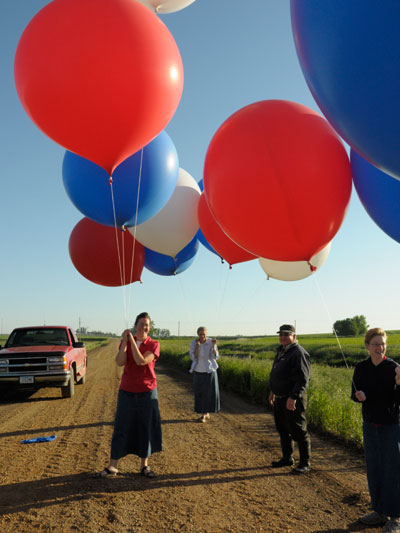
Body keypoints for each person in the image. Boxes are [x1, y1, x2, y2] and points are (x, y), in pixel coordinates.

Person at [94, 312, 162, 479]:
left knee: (145, 428)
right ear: (135, 325)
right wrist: (125, 342)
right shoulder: (126, 341)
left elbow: (141, 361)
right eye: (141, 324)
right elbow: (119, 362)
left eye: (147, 325)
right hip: (127, 391)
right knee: (121, 426)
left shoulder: (154, 344)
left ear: (150, 327)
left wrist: (131, 341)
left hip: (146, 392)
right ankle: (113, 465)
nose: (144, 327)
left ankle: (144, 465)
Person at [351, 328, 400, 533]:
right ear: (367, 346)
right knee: (374, 469)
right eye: (376, 344)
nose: (380, 347)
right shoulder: (361, 368)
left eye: (383, 344)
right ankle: (379, 511)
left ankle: (395, 517)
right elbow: (353, 393)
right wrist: (358, 396)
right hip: (370, 425)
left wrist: (399, 383)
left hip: (391, 427)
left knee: (393, 471)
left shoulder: (394, 368)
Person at [268, 324, 311, 474]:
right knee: (283, 429)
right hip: (280, 397)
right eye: (281, 334)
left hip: (292, 399)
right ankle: (287, 458)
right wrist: (273, 391)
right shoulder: (282, 351)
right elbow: (276, 374)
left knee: (298, 431)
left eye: (286, 334)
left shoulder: (298, 353)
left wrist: (293, 397)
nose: (283, 337)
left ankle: (305, 463)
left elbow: (303, 379)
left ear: (294, 336)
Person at [189, 326, 220, 422]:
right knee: (200, 393)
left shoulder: (211, 342)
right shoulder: (193, 343)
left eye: (204, 334)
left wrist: (214, 347)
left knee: (208, 393)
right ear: (197, 334)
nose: (202, 336)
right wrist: (197, 347)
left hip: (209, 371)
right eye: (200, 334)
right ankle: (204, 413)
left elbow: (215, 357)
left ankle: (205, 414)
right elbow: (193, 357)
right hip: (198, 370)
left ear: (206, 334)